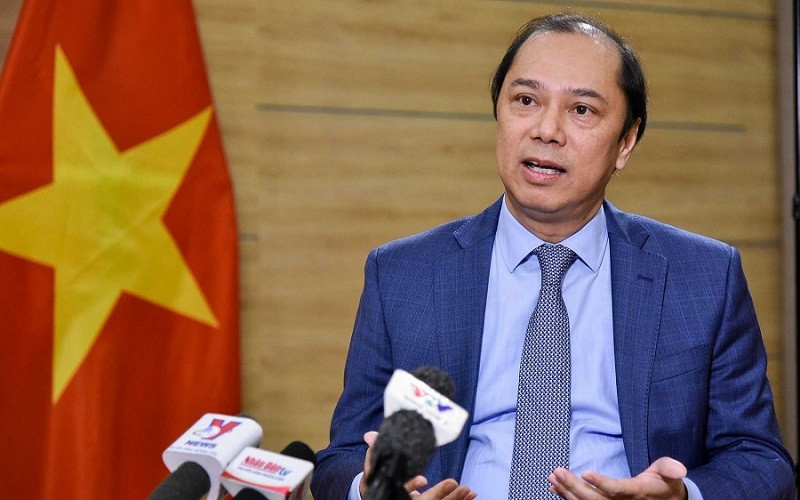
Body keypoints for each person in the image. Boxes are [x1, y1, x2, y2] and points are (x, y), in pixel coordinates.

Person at [311, 12, 795, 500]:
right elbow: (342, 456)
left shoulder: (704, 278)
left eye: (582, 110)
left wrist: (681, 495)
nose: (546, 130)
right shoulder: (403, 275)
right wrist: (371, 488)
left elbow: (759, 458)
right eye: (525, 100)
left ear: (626, 142)